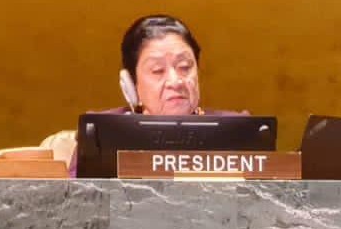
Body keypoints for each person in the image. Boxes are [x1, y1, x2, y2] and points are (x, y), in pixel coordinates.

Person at [55, 14, 240, 174]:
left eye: (185, 67)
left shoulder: (235, 131)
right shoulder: (101, 134)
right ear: (131, 84)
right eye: (158, 70)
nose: (176, 82)